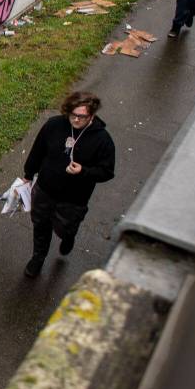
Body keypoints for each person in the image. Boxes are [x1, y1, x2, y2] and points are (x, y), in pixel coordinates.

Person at [21, 91, 115, 278]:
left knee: (65, 228)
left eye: (82, 116)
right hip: (45, 190)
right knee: (41, 225)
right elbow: (38, 150)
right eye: (73, 114)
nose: (76, 120)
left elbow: (107, 172)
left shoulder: (102, 140)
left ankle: (68, 236)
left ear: (92, 115)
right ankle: (38, 258)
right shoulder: (54, 125)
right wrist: (28, 174)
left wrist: (84, 171)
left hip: (74, 199)